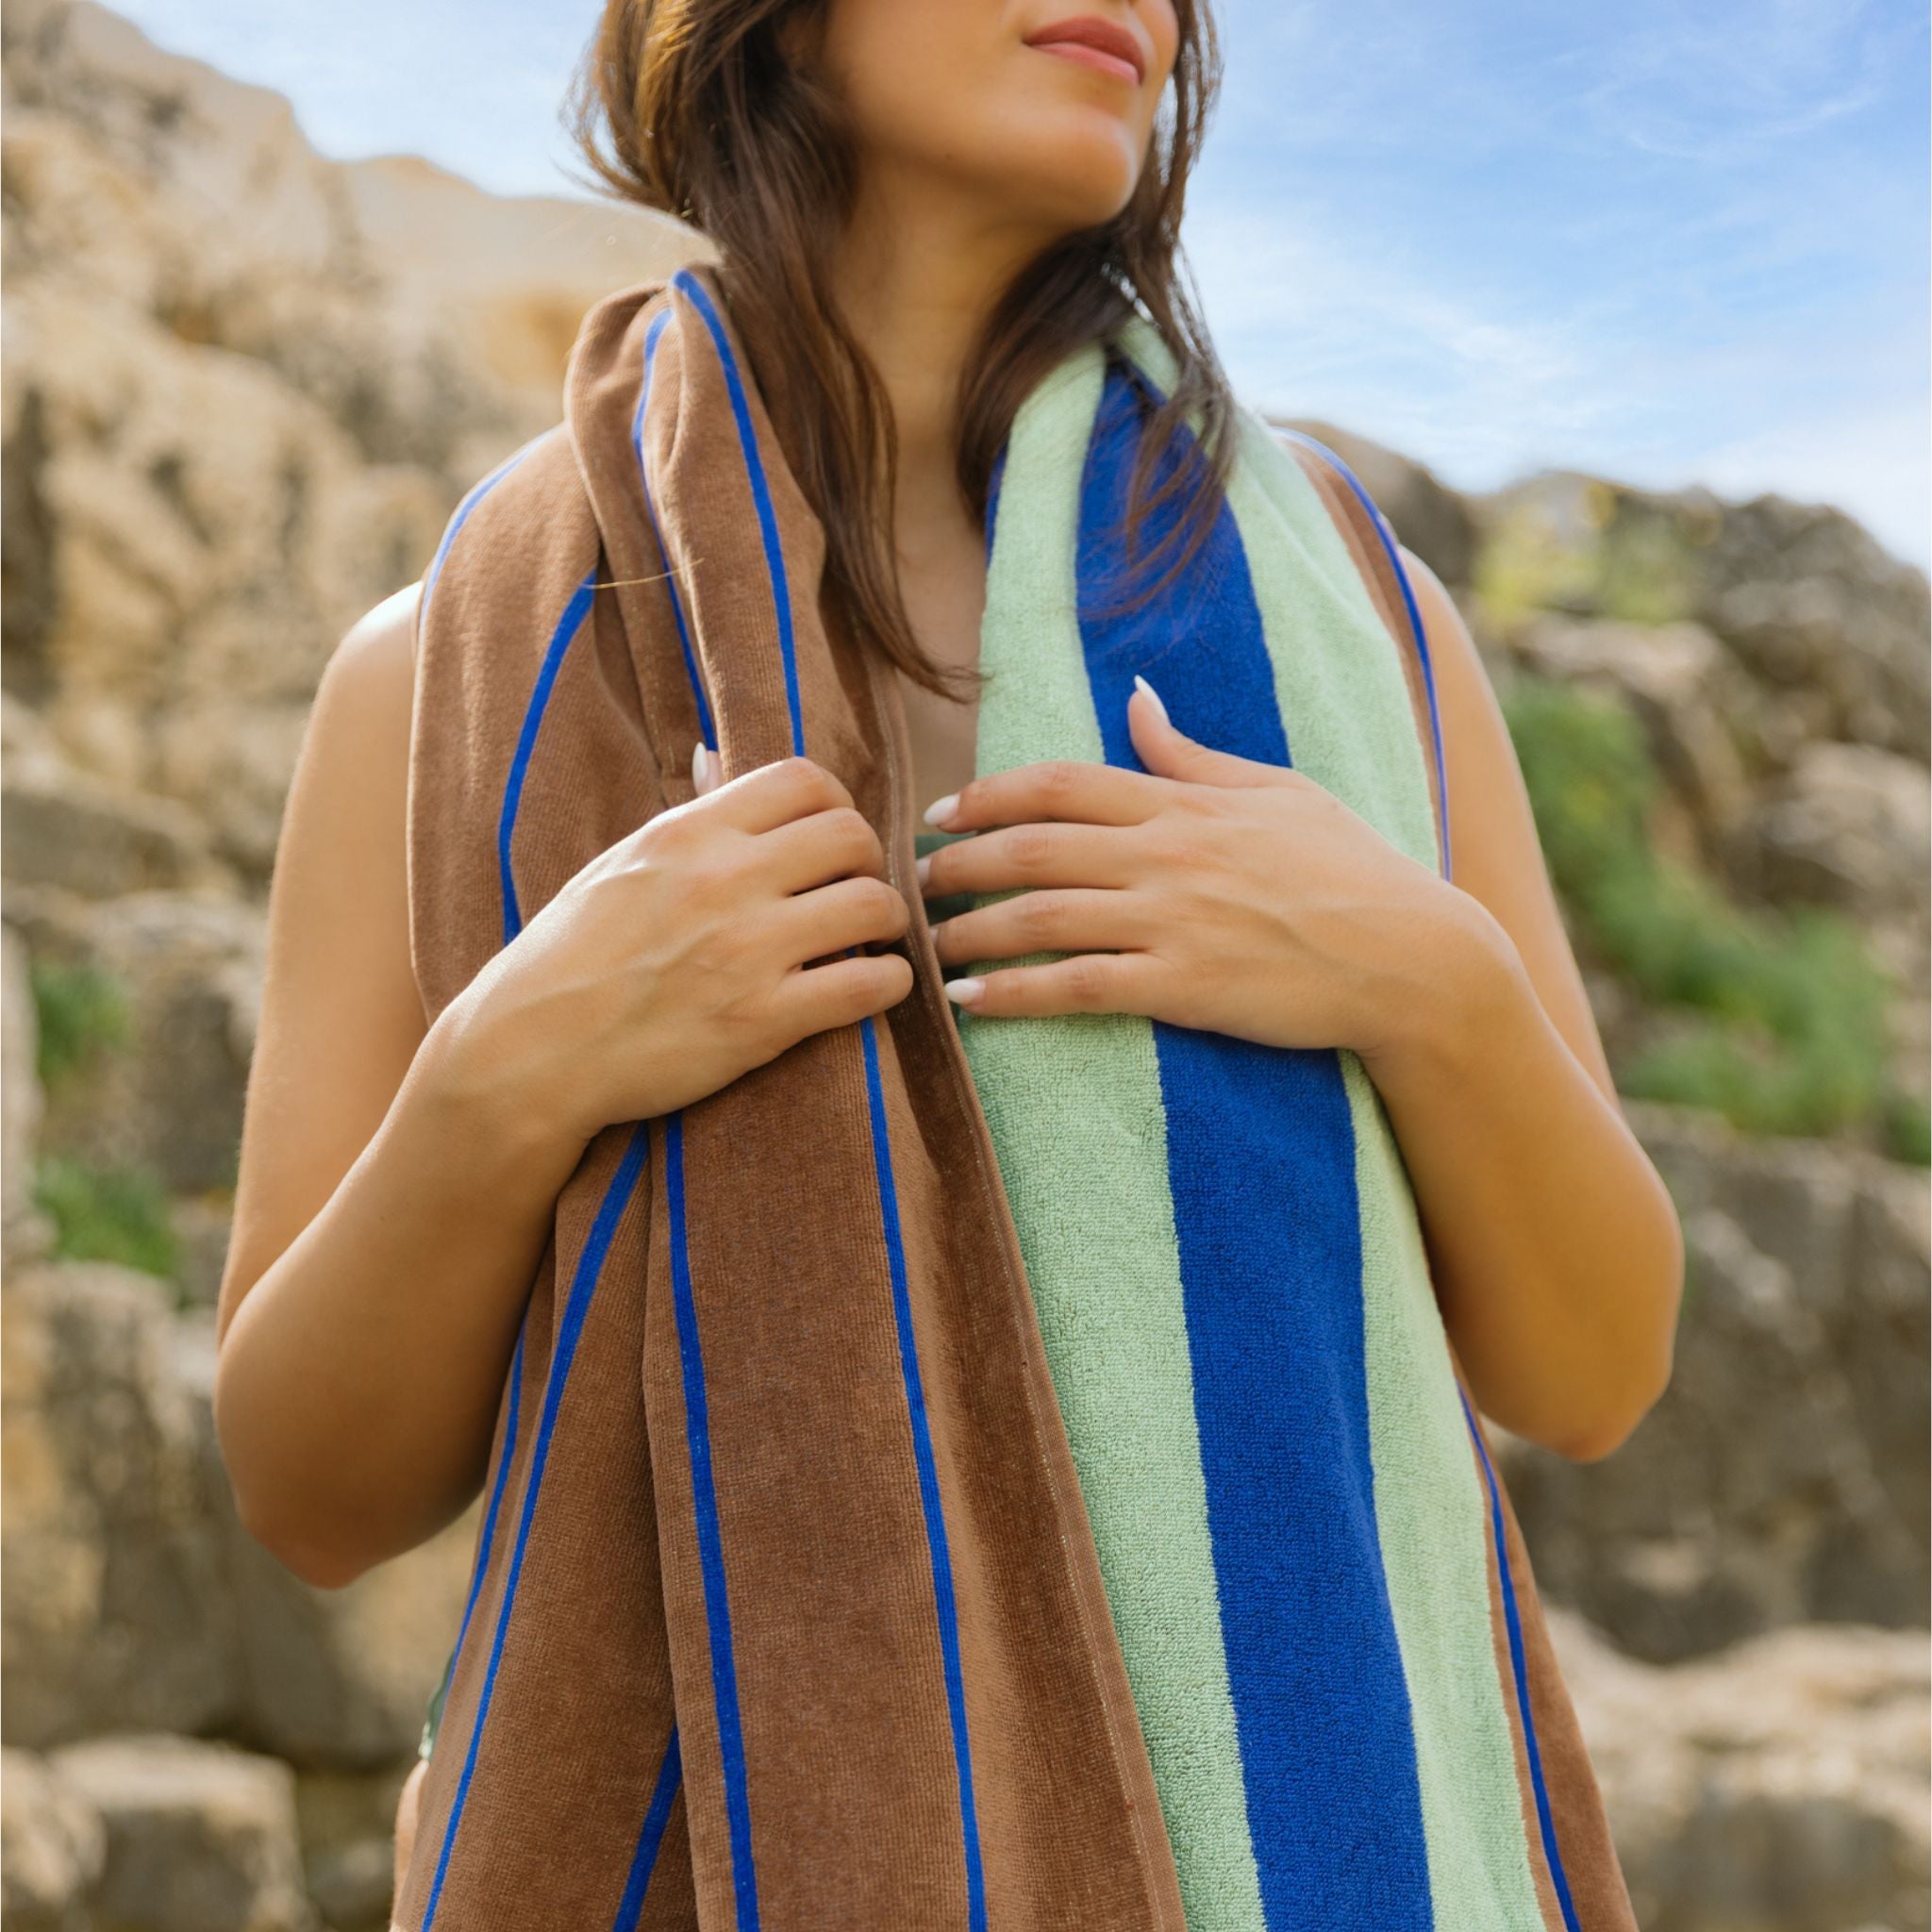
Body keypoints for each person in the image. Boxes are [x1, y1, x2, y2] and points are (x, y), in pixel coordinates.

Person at [210, 0, 1684, 1922]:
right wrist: (511, 1073)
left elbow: (1593, 1367)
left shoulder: (1362, 625)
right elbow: (312, 1491)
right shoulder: (442, 676)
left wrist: (1429, 981)